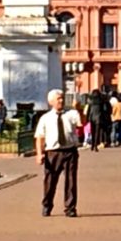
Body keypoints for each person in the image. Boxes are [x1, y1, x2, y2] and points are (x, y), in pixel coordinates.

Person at [35, 89, 81, 218]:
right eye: (58, 99)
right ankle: (47, 205)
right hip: (53, 152)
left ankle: (70, 208)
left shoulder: (71, 114)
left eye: (62, 98)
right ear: (51, 102)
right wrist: (39, 154)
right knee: (50, 181)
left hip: (70, 151)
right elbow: (39, 137)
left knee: (71, 180)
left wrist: (79, 109)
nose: (61, 101)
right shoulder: (45, 118)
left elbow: (81, 123)